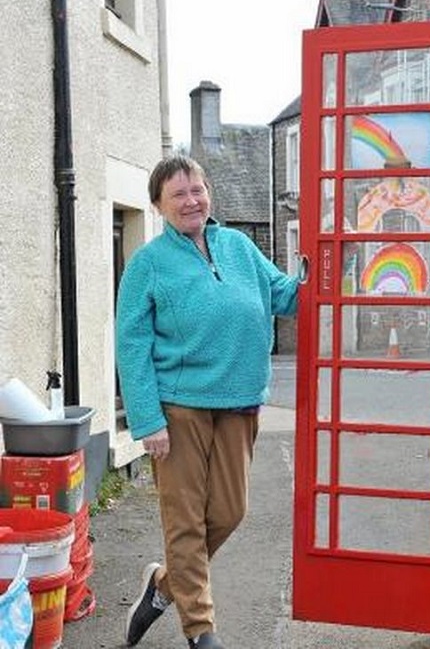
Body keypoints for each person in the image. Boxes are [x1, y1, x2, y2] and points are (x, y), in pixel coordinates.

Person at [116, 155, 304, 649]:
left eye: (196, 190)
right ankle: (201, 631)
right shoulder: (148, 263)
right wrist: (146, 419)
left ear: (209, 194)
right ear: (158, 205)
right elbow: (131, 344)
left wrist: (329, 257)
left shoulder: (238, 246)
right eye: (177, 194)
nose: (190, 200)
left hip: (240, 404)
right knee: (184, 520)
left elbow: (286, 296)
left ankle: (161, 590)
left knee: (228, 513)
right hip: (178, 410)